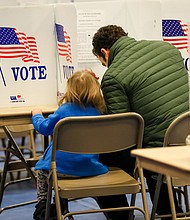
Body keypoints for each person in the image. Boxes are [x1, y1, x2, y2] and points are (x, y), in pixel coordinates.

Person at [92, 24, 189, 220]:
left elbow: (121, 134)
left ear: (104, 52)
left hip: (156, 150)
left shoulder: (113, 75)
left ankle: (121, 216)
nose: (105, 66)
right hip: (185, 137)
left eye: (102, 62)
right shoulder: (168, 49)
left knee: (96, 161)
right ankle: (170, 210)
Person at [31, 69, 108, 220]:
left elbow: (44, 128)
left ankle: (44, 204)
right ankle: (62, 207)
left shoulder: (64, 110)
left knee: (42, 171)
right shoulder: (99, 112)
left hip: (59, 170)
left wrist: (37, 114)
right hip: (90, 168)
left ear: (70, 89)